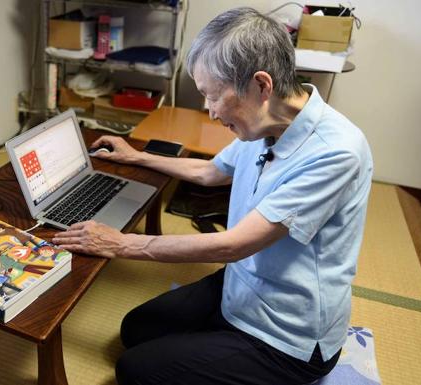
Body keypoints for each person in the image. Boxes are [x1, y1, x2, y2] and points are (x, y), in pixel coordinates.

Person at [52, 7, 373, 385]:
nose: (209, 110)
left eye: (213, 96)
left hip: (287, 336)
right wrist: (136, 155)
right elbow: (210, 172)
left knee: (134, 371)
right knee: (135, 330)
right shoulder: (264, 123)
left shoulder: (335, 152)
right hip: (242, 286)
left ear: (261, 85)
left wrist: (120, 243)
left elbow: (234, 245)